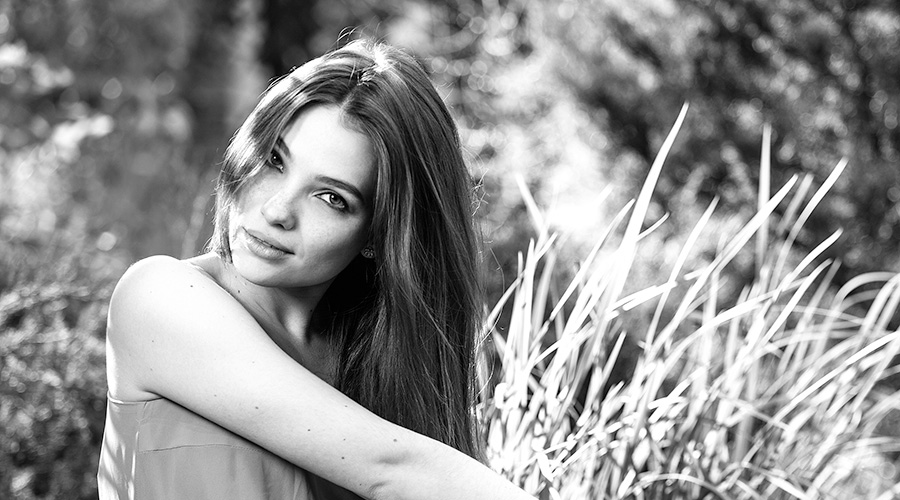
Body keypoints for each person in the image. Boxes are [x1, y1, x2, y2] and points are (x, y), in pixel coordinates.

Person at [97, 38, 535, 500]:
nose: (277, 209)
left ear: (379, 235)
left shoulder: (383, 373)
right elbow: (390, 468)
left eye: (331, 198)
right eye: (274, 159)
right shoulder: (159, 299)